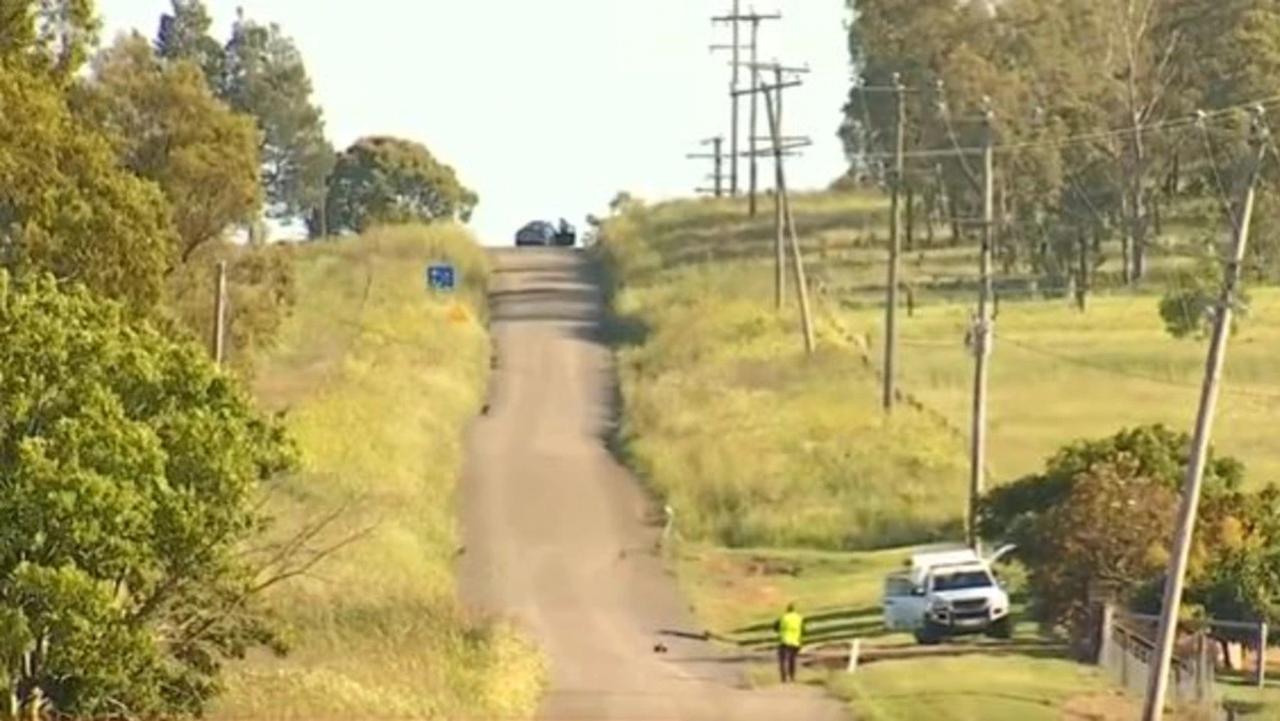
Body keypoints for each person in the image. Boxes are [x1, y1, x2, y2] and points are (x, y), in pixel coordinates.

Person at [774, 602, 806, 683]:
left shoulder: (783, 617)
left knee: (783, 660)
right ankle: (792, 677)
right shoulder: (799, 618)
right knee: (792, 660)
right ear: (794, 610)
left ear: (787, 610)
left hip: (784, 641)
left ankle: (783, 677)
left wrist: (781, 631)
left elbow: (775, 627)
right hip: (795, 642)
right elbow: (803, 630)